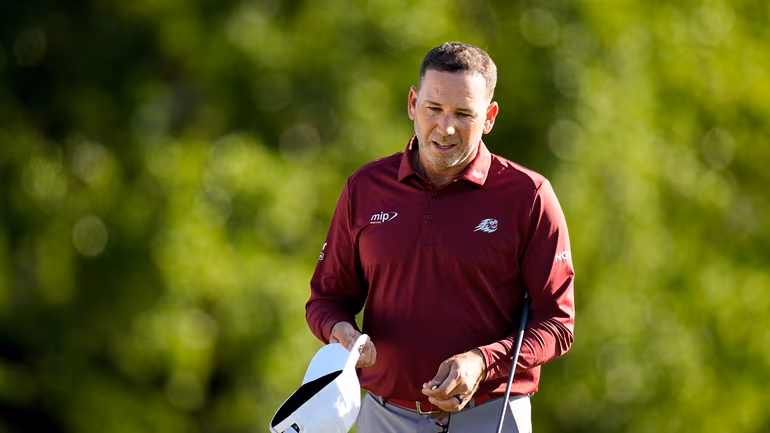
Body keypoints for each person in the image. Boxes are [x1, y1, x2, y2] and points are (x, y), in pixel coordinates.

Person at [305, 41, 575, 432]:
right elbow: (326, 300)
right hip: (383, 415)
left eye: (464, 113)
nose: (445, 128)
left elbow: (556, 323)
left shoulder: (529, 196)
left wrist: (482, 362)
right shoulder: (364, 188)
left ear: (489, 117)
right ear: (413, 103)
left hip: (492, 415)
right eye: (434, 108)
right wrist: (339, 332)